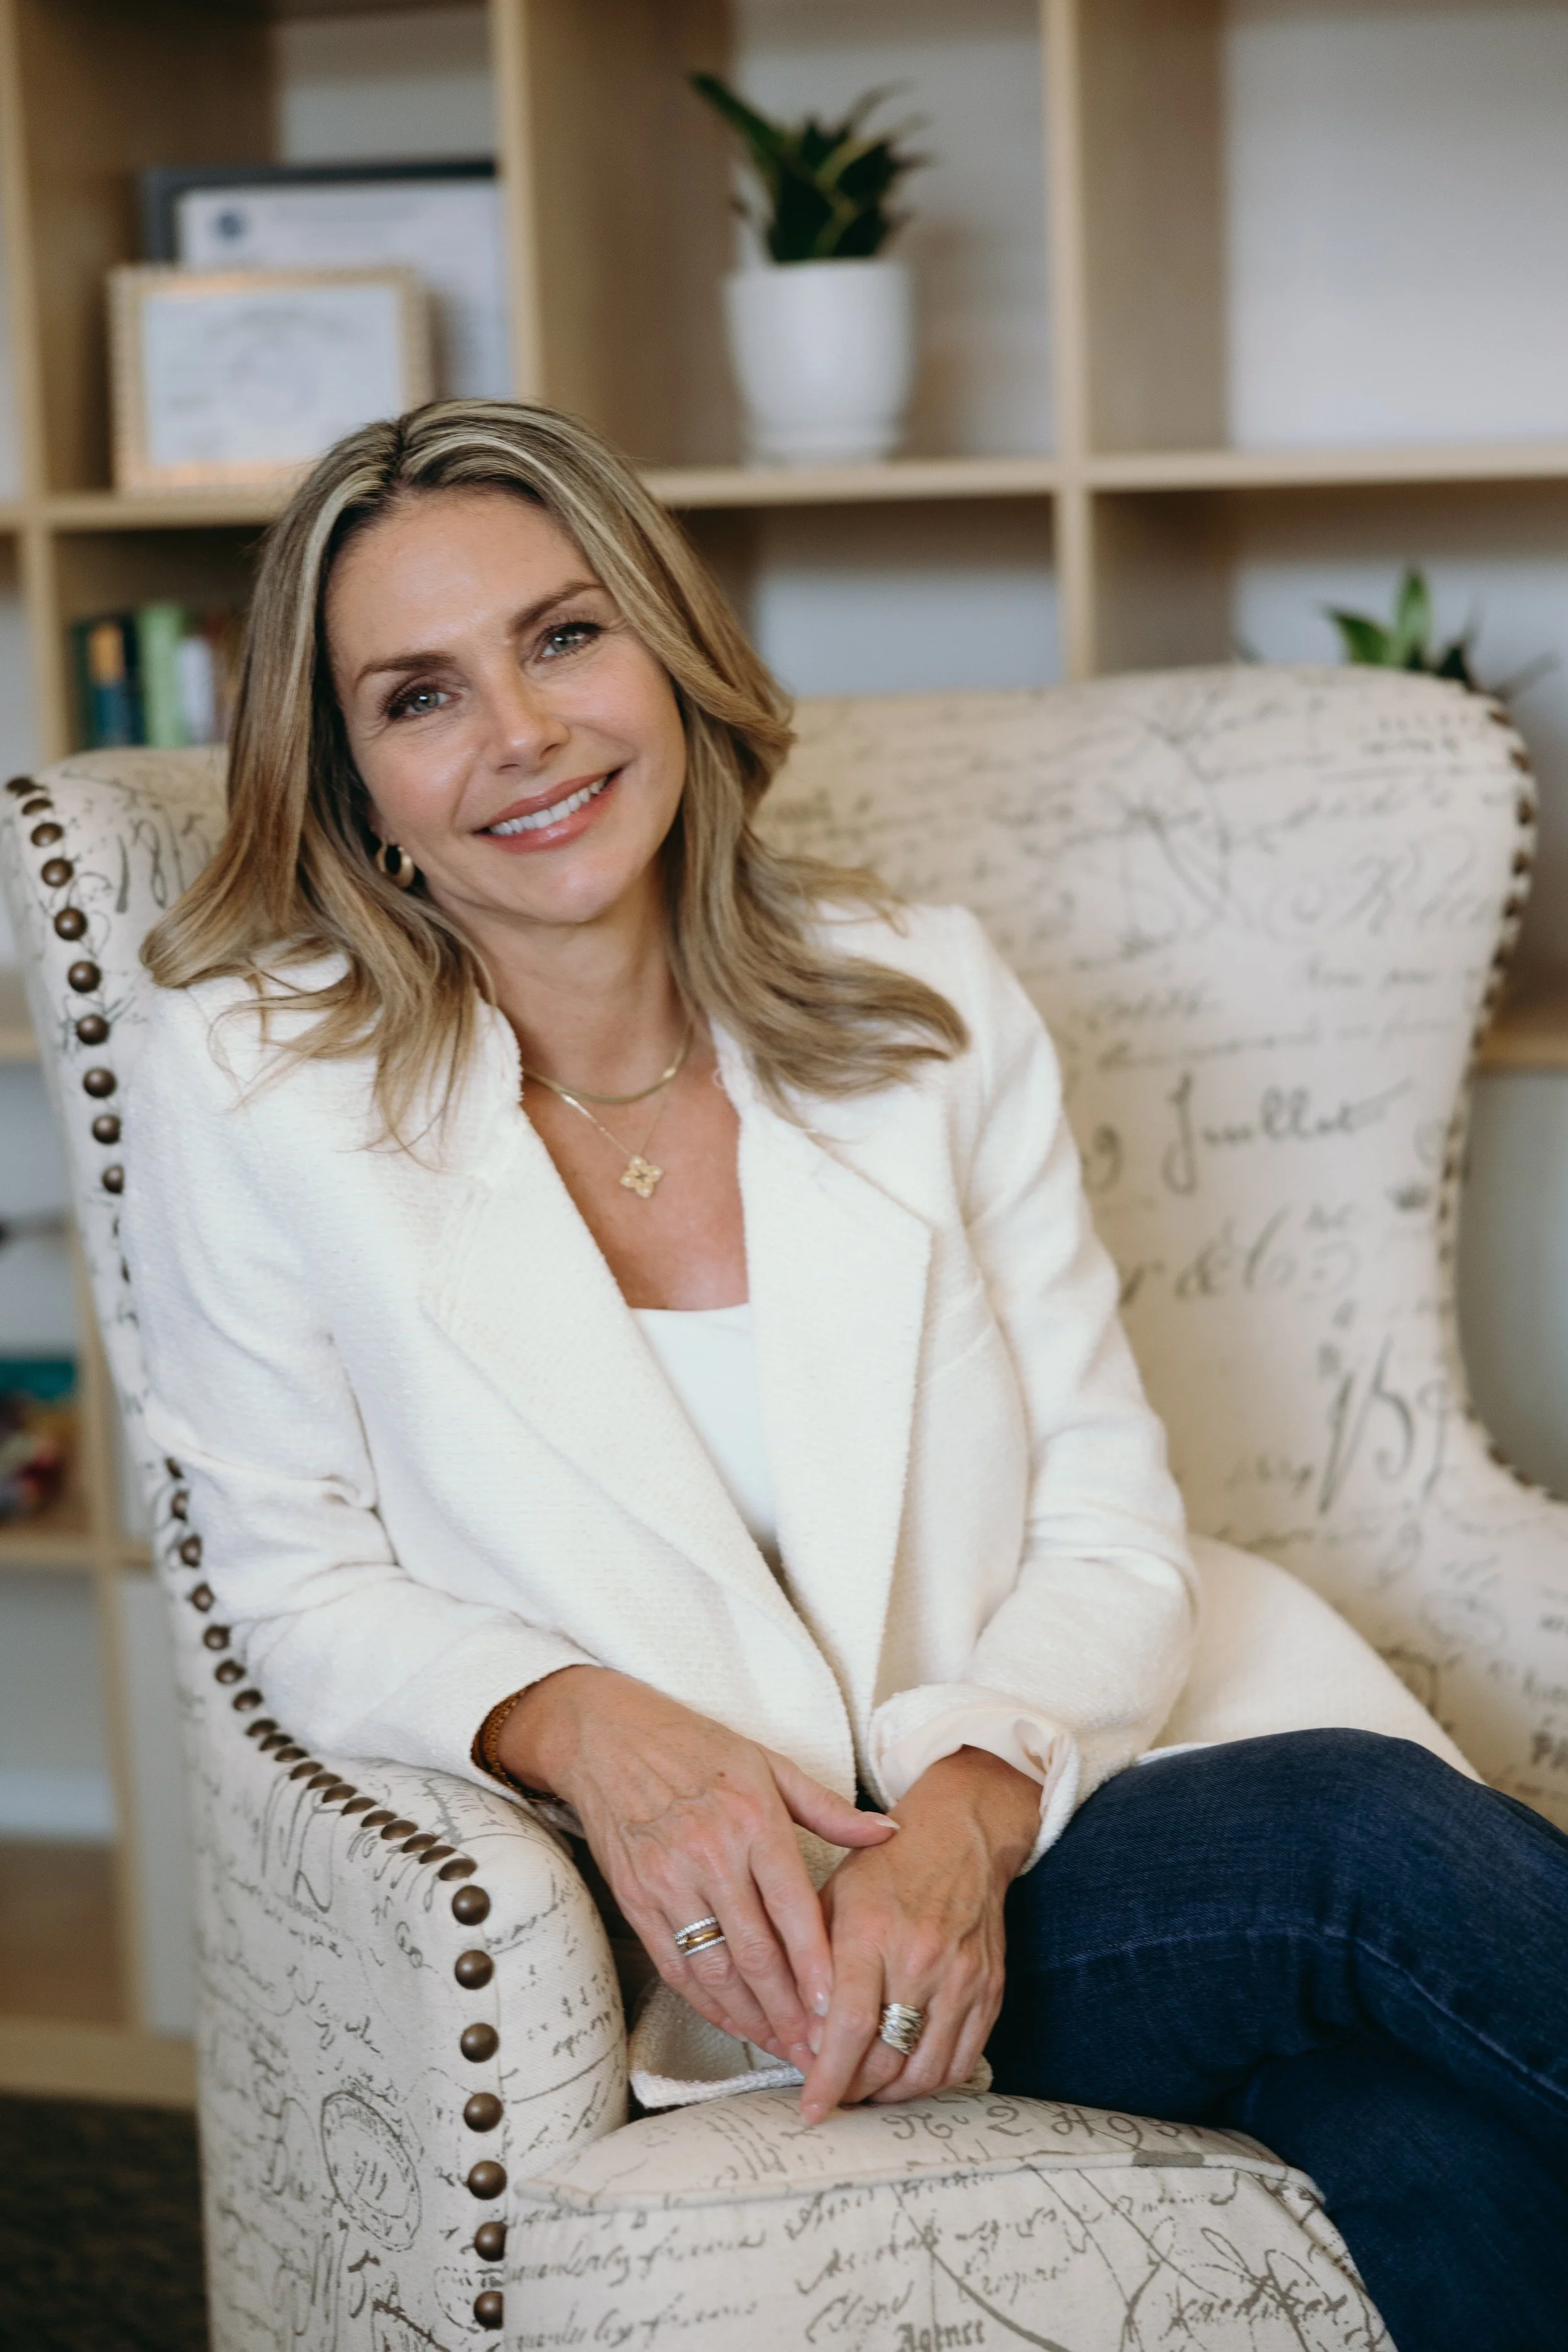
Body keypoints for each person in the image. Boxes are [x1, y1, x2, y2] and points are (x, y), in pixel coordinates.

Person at [125, 400, 1567, 2352]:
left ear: (664, 650)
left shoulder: (929, 1003)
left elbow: (1101, 1501)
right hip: (761, 1929)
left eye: (563, 637)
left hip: (1076, 1793)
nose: (523, 736)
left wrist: (973, 1809)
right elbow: (285, 1581)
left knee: (1428, 2131)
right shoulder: (265, 1093)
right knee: (1352, 1838)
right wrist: (587, 1728)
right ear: (358, 777)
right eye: (418, 693)